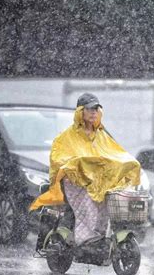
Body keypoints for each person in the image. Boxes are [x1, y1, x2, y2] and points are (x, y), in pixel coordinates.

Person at [30, 93, 141, 251]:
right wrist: (78, 165)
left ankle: (99, 239)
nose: (93, 112)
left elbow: (114, 154)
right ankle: (86, 241)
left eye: (96, 108)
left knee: (107, 204)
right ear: (80, 111)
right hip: (74, 183)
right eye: (89, 109)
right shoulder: (66, 137)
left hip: (97, 183)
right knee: (90, 205)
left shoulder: (101, 135)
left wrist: (128, 163)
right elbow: (59, 160)